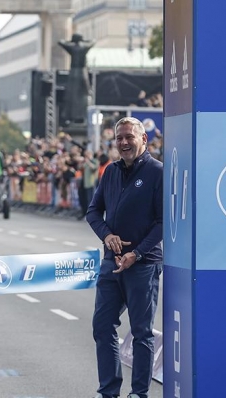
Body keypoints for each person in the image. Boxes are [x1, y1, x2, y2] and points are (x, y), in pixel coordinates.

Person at [85, 117, 162, 398]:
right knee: (102, 328)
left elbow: (163, 222)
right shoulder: (111, 171)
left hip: (143, 264)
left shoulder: (157, 172)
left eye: (129, 136)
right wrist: (106, 235)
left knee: (142, 333)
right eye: (119, 138)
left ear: (143, 139)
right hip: (111, 263)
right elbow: (93, 211)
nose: (124, 142)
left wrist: (136, 253)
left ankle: (139, 393)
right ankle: (108, 392)